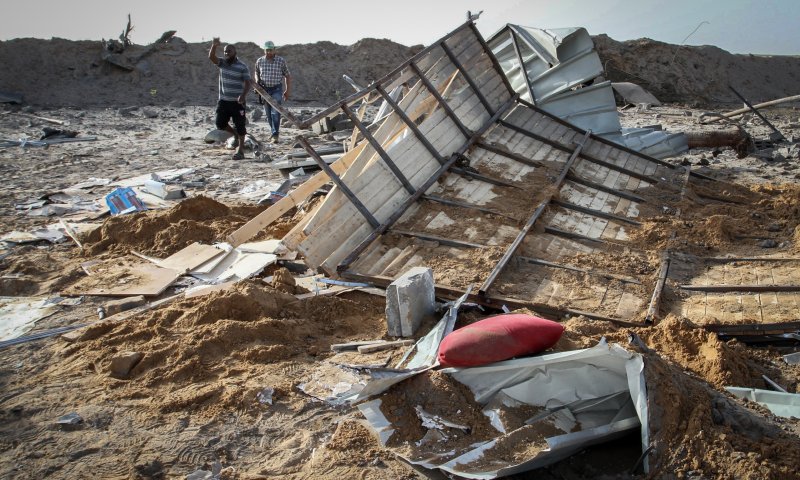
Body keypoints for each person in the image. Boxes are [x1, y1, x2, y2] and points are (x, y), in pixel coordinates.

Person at [208, 37, 251, 160]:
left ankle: (240, 151)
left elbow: (248, 83)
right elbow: (211, 57)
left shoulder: (242, 66)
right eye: (225, 51)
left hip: (237, 102)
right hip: (224, 101)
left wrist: (243, 96)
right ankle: (235, 135)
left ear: (235, 52)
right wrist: (214, 45)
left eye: (229, 51)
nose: (227, 53)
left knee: (240, 126)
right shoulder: (222, 63)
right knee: (220, 123)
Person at [254, 41, 291, 143]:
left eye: (270, 50)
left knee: (276, 111)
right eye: (267, 50)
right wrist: (257, 81)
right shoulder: (260, 61)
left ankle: (275, 134)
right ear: (264, 50)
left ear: (274, 50)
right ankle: (273, 132)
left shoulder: (280, 61)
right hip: (264, 90)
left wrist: (287, 90)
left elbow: (287, 75)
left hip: (276, 89)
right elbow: (256, 72)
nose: (269, 52)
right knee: (268, 114)